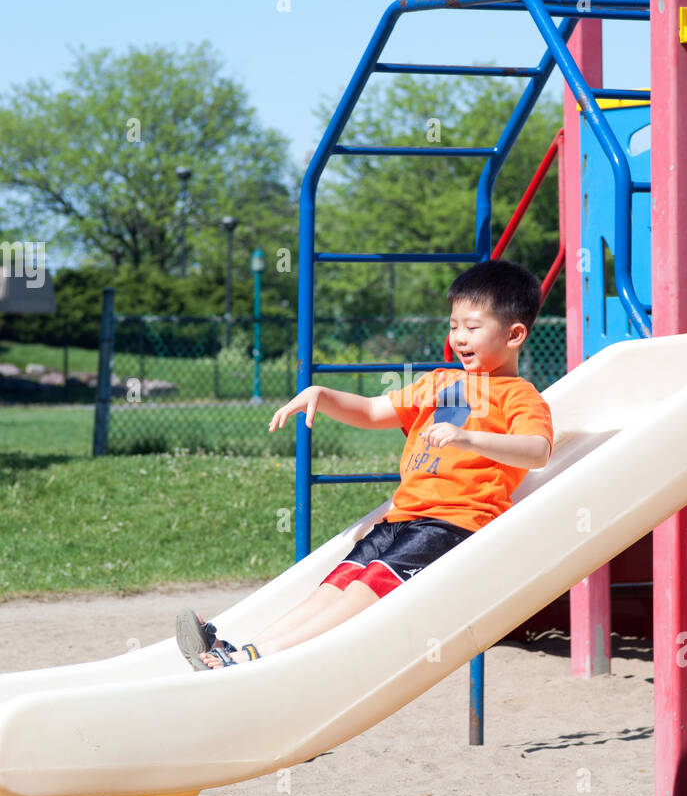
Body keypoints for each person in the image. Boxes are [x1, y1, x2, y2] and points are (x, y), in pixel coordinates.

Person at [176, 259, 554, 670]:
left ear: (515, 333)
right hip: (403, 518)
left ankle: (259, 657)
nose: (459, 337)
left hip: (453, 524)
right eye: (453, 325)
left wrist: (469, 438)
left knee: (367, 589)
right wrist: (323, 393)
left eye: (472, 327)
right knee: (335, 585)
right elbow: (374, 410)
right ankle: (238, 648)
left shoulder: (518, 395)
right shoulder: (441, 383)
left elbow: (537, 450)